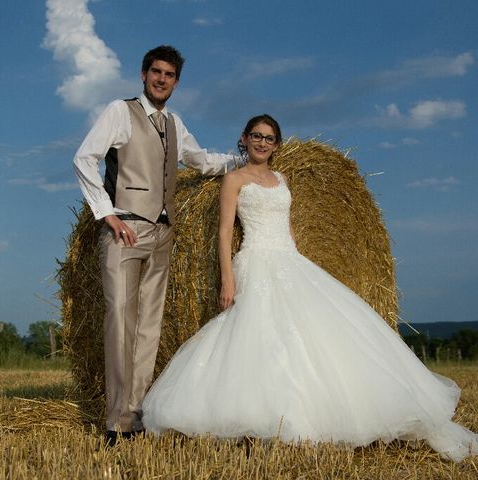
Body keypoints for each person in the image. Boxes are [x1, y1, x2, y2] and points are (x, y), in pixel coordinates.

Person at [141, 114, 478, 462]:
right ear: (244, 139)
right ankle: (267, 414)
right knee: (257, 335)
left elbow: (288, 229)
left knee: (320, 334)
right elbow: (225, 232)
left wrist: (301, 262)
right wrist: (228, 278)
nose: (262, 142)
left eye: (269, 138)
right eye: (256, 136)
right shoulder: (234, 179)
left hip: (289, 260)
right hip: (255, 261)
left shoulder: (282, 178)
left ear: (276, 144)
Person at [73, 45, 236, 446]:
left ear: (177, 82)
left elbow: (198, 160)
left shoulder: (175, 123)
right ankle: (115, 422)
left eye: (170, 75)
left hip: (163, 235)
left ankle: (136, 416)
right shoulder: (120, 111)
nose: (162, 79)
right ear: (143, 74)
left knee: (148, 329)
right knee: (119, 323)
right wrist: (106, 214)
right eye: (156, 72)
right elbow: (83, 158)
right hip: (124, 231)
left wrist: (243, 160)